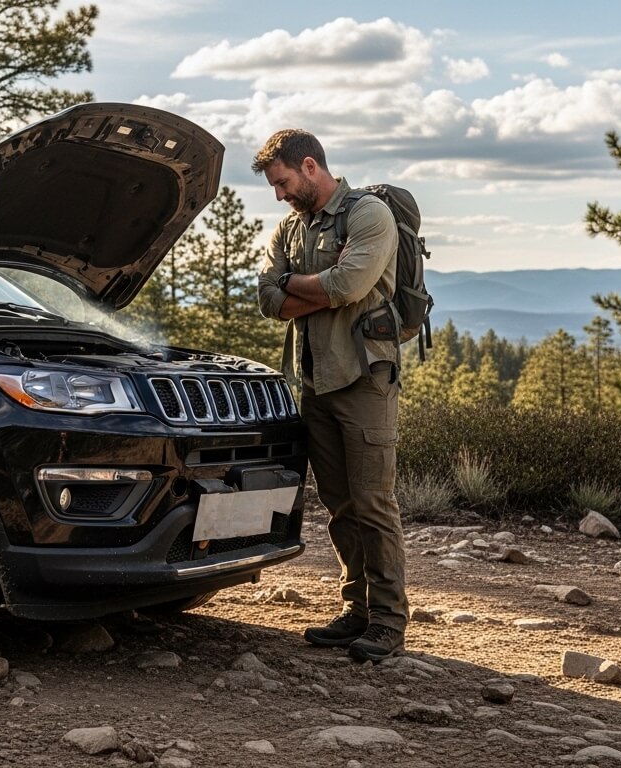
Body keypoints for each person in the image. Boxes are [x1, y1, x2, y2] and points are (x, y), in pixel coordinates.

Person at [252, 129, 407, 663]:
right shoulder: (290, 228)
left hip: (364, 379)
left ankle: (388, 621)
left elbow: (350, 287)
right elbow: (267, 298)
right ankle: (357, 609)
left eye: (283, 182)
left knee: (372, 502)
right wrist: (307, 285)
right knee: (339, 504)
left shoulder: (368, 216)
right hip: (313, 380)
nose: (279, 194)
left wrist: (295, 283)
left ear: (310, 166)